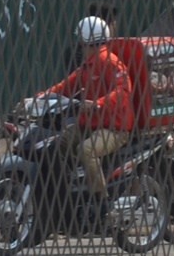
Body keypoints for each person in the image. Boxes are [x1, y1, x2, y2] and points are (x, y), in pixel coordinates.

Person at [40, 16, 136, 201]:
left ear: (86, 42)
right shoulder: (87, 65)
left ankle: (100, 199)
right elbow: (64, 86)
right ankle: (69, 190)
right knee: (56, 145)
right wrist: (37, 99)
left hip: (114, 128)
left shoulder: (110, 62)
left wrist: (99, 103)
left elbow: (123, 91)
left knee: (86, 150)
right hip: (88, 124)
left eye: (81, 42)